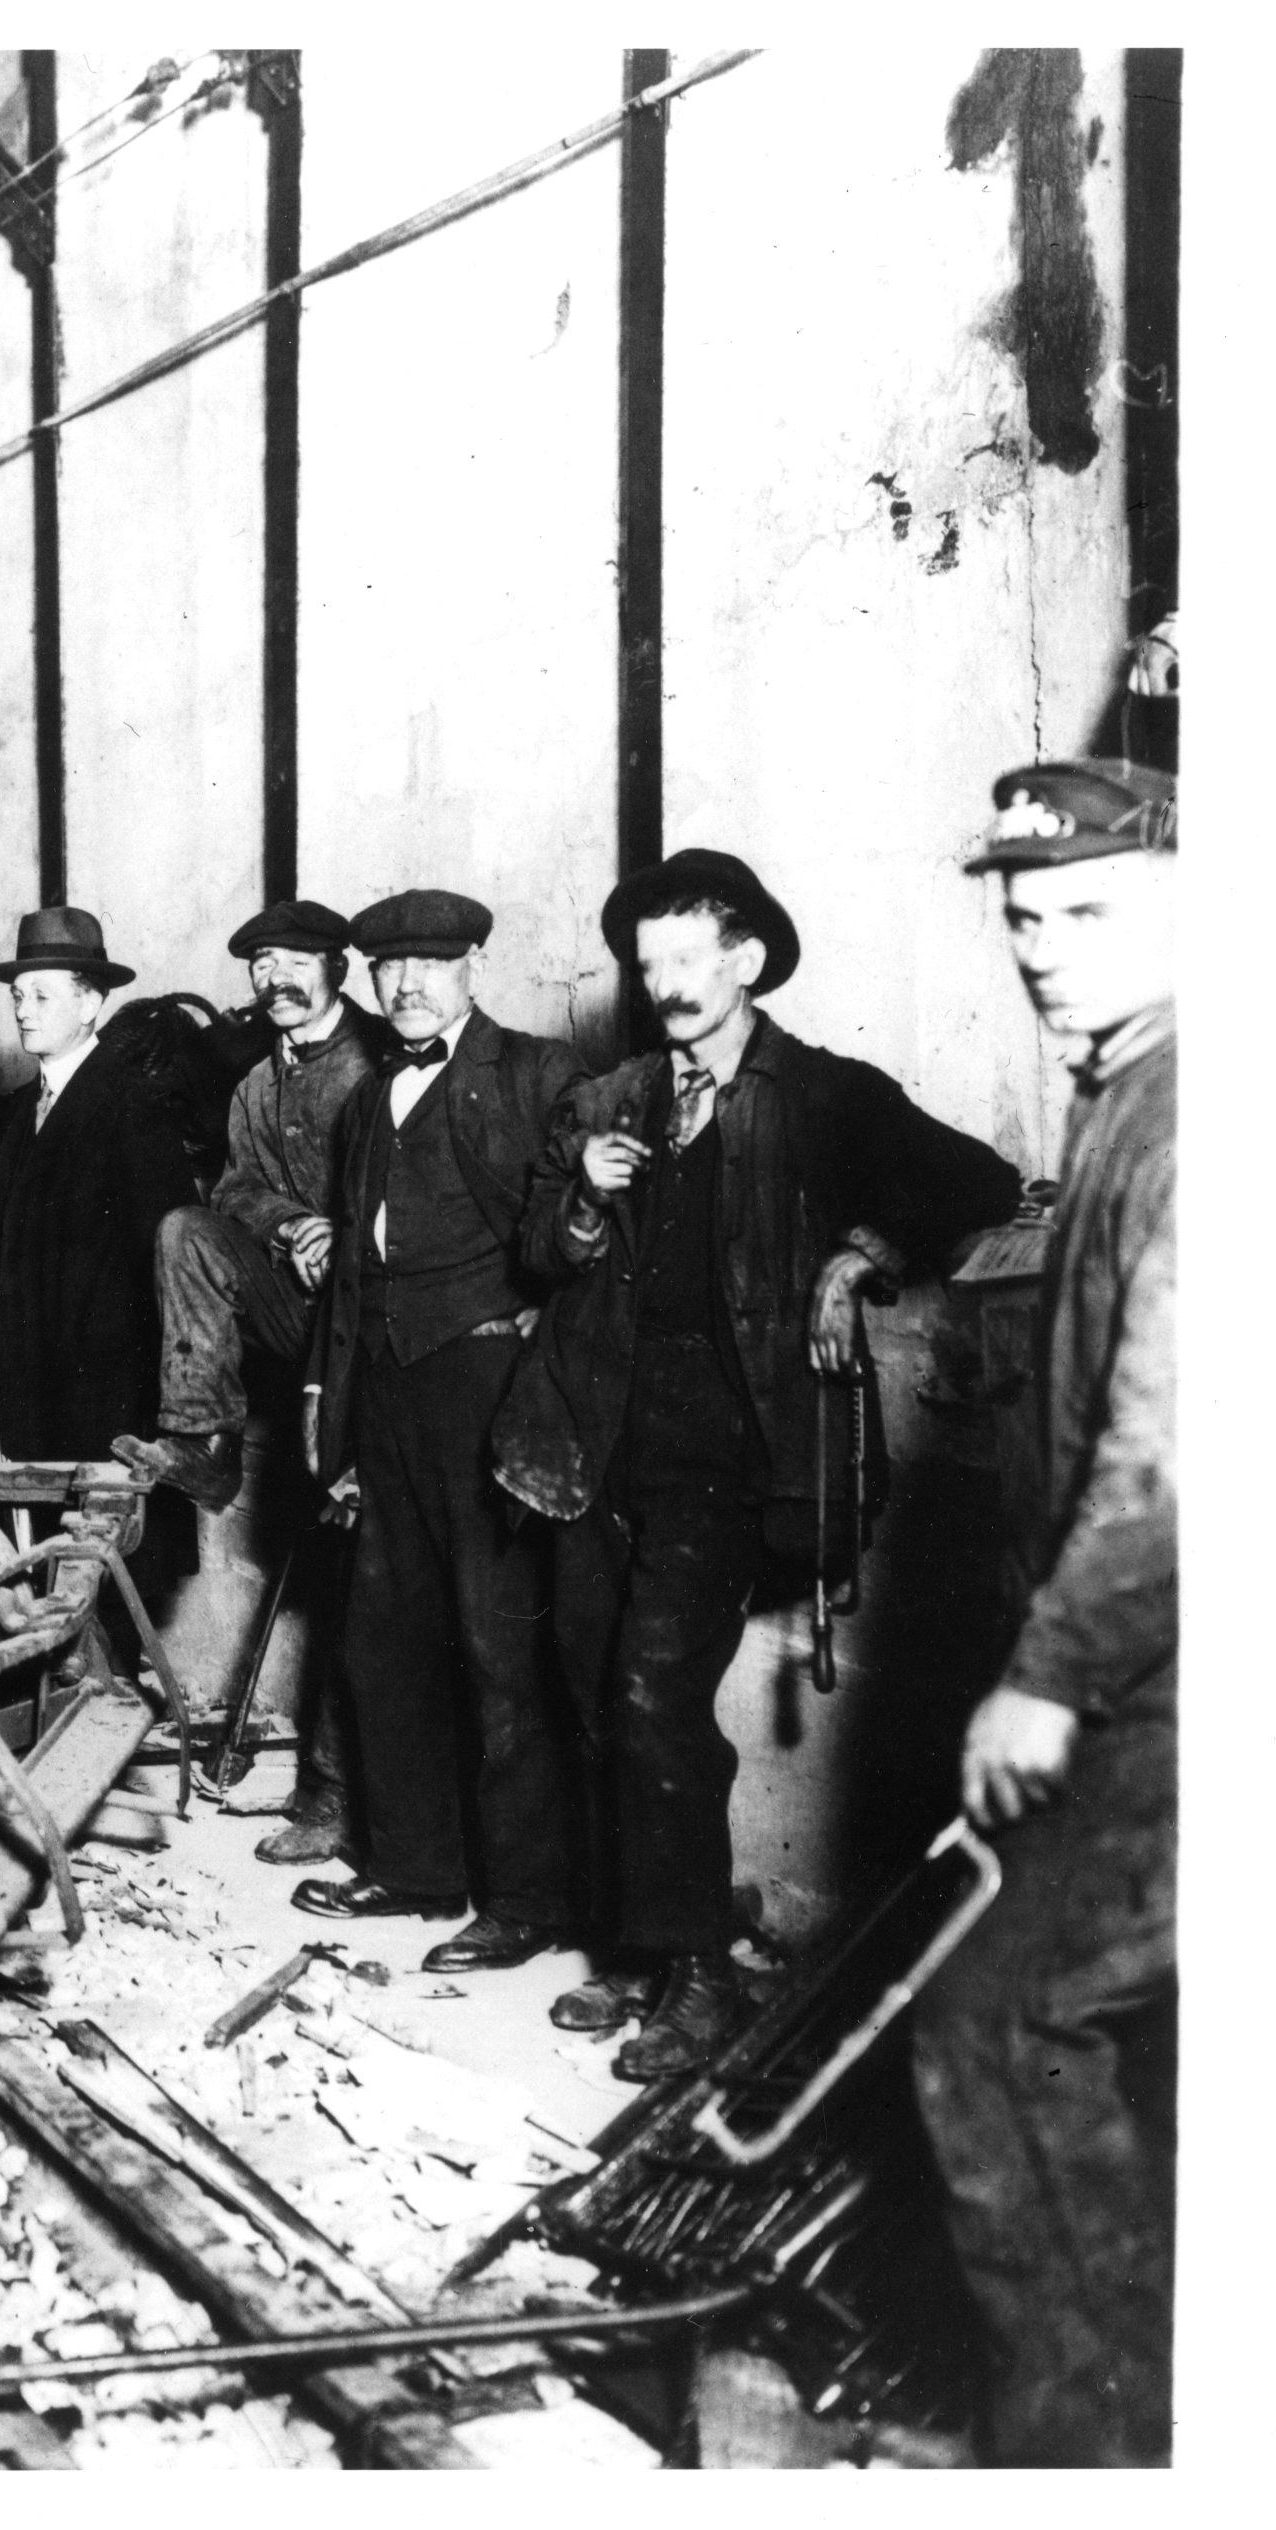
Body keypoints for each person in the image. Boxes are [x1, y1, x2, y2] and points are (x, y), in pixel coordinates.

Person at [493, 852, 1018, 2079]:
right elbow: (536, 1253)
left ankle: (696, 1978)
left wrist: (856, 1255)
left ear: (744, 962)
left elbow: (978, 1179)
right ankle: (640, 1941)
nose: (667, 984)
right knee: (586, 1682)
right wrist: (578, 1195)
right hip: (593, 1434)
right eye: (649, 963)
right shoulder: (608, 1094)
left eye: (690, 959)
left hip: (728, 1450)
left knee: (651, 1694)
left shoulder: (819, 1092)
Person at [910, 759, 1176, 2466]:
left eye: (1090, 910)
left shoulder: (1192, 1114)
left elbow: (1181, 1445)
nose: (1044, 946)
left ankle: (1100, 2456)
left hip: (1169, 1672)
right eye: (1021, 914)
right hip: (1149, 1653)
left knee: (996, 2026)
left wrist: (1049, 1676)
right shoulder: (1128, 1096)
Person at [292, 890, 588, 1973]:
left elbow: (576, 1238)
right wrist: (337, 1424)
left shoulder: (536, 1072)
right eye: (388, 968)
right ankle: (415, 1865)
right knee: (384, 1634)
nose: (407, 984)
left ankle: (524, 1895)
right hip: (389, 1390)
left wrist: (536, 1368)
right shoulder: (367, 1101)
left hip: (488, 1387)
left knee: (499, 1643)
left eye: (431, 963)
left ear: (472, 965)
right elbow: (354, 1278)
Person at [125, 899, 393, 1866]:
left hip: (378, 1327)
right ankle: (206, 1440)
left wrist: (341, 1231)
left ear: (336, 968)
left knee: (364, 1578)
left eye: (294, 962)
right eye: (260, 965)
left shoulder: (383, 1061)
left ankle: (345, 1801)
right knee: (183, 1230)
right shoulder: (252, 1083)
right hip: (295, 1313)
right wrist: (290, 1226)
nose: (273, 980)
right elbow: (231, 1189)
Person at [0, 909, 205, 1464]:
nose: (23, 1012)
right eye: (17, 996)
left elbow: (163, 1275)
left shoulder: (136, 1110)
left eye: (41, 996)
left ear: (89, 1004)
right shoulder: (14, 1114)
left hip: (99, 1406)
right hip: (13, 1398)